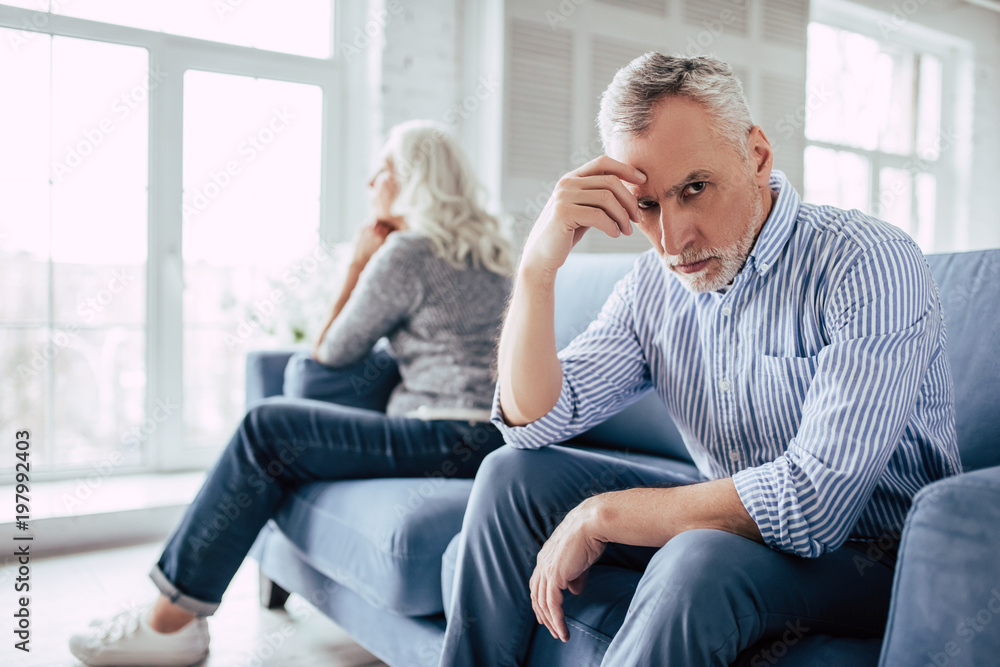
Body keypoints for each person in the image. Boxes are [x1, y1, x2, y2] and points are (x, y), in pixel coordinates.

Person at [438, 53, 960, 666]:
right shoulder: (651, 287)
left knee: (699, 554)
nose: (673, 241)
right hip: (738, 521)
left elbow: (815, 503)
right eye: (650, 206)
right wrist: (536, 269)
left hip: (877, 554)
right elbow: (536, 422)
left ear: (757, 156)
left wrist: (605, 514)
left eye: (695, 189)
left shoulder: (867, 262)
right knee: (510, 478)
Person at [70, 119, 513, 666]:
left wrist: (358, 262)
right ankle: (174, 615)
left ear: (405, 182)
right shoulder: (496, 257)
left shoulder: (407, 253)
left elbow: (325, 361)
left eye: (379, 174)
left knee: (266, 426)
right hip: (492, 439)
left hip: (440, 432)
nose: (370, 185)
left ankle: (170, 623)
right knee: (276, 433)